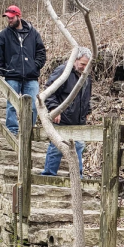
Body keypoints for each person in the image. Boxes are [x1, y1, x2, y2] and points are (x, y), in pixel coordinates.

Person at [0, 5, 46, 135]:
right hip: (12, 76)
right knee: (11, 105)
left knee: (33, 106)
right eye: (8, 18)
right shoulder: (3, 35)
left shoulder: (33, 33)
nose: (9, 20)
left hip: (31, 77)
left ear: (19, 16)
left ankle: (28, 131)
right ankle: (12, 131)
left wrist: (35, 65)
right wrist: (0, 73)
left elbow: (41, 52)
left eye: (11, 18)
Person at [41, 47, 93, 176]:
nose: (84, 67)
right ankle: (48, 175)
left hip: (78, 120)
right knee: (57, 147)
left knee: (79, 146)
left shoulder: (86, 77)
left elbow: (86, 96)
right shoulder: (63, 71)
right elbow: (49, 91)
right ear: (75, 60)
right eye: (82, 64)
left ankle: (77, 176)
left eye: (87, 65)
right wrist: (54, 109)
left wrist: (88, 110)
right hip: (62, 118)